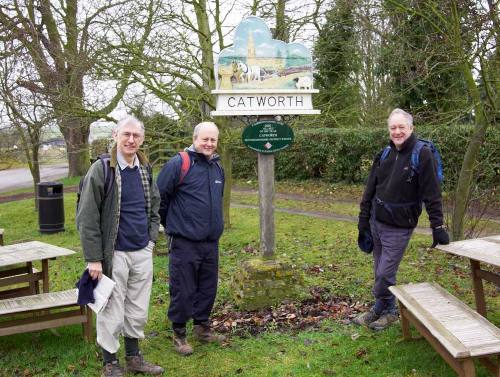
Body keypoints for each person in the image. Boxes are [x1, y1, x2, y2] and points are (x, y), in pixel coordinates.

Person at [76, 116, 164, 376]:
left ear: (142, 138)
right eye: (126, 134)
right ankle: (110, 362)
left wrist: (150, 241)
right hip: (113, 253)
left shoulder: (144, 168)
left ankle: (134, 358)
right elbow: (87, 217)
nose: (131, 140)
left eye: (136, 135)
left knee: (137, 307)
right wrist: (93, 258)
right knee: (112, 307)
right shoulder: (103, 170)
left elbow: (154, 206)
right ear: (115, 135)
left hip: (141, 251)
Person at [354, 108, 449, 331]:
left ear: (411, 128)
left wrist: (438, 226)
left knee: (385, 273)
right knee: (379, 269)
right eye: (393, 128)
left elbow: (432, 193)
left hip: (400, 227)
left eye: (401, 127)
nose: (397, 132)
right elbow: (370, 189)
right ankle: (381, 309)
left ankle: (389, 309)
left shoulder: (422, 153)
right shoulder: (385, 154)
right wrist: (363, 219)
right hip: (377, 222)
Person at [156, 121, 225, 356]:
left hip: (210, 241)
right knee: (183, 289)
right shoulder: (179, 164)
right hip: (184, 240)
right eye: (204, 139)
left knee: (208, 287)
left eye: (212, 140)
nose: (208, 143)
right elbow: (160, 199)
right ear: (194, 139)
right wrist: (171, 226)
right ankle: (179, 334)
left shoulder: (217, 168)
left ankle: (202, 327)